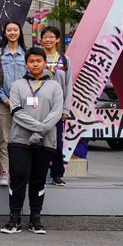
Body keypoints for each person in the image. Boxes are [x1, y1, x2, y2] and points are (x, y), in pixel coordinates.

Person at [2, 47, 64, 235]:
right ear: (26, 64)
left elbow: (56, 113)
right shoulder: (17, 85)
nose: (35, 64)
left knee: (38, 180)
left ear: (45, 63)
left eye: (39, 61)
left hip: (45, 142)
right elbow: (16, 112)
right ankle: (15, 219)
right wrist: (40, 128)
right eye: (31, 61)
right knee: (18, 177)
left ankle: (35, 219)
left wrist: (38, 134)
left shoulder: (54, 86)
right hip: (19, 140)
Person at [39, 25, 73, 186]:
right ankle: (38, 173)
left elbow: (69, 86)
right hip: (38, 108)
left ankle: (57, 173)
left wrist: (66, 109)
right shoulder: (37, 58)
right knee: (38, 141)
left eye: (52, 36)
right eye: (45, 36)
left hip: (58, 109)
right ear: (41, 40)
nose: (48, 39)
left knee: (56, 142)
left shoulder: (65, 60)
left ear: (58, 39)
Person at [0, 21, 27, 187]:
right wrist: (3, 97)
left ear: (20, 32)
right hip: (3, 102)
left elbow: (31, 78)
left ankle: (19, 172)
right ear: (5, 33)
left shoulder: (26, 54)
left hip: (23, 104)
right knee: (4, 138)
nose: (13, 32)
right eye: (9, 30)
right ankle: (4, 172)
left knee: (22, 138)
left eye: (15, 30)